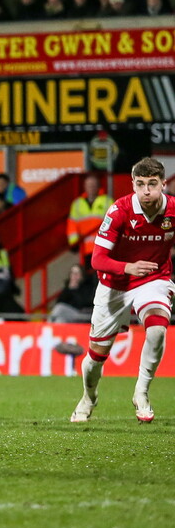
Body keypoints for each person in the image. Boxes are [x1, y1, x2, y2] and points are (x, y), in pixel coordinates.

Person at [70, 157, 175, 424]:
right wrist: (127, 267)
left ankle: (141, 391)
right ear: (133, 185)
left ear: (163, 183)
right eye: (141, 184)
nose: (147, 191)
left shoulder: (173, 210)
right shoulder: (119, 211)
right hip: (114, 284)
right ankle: (88, 397)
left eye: (152, 184)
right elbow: (97, 260)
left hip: (154, 279)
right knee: (95, 358)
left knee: (157, 328)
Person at [66, 174, 110, 273]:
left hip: (102, 247)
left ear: (98, 186)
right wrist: (74, 243)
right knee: (87, 276)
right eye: (89, 185)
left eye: (93, 185)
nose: (91, 188)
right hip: (84, 249)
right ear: (84, 187)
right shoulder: (77, 204)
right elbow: (72, 225)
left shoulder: (107, 201)